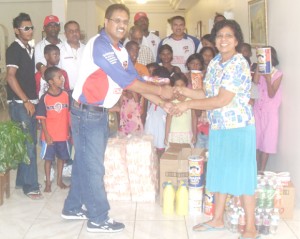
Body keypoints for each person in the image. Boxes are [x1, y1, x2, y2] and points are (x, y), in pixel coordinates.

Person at [61, 4, 173, 233]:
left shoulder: (120, 50)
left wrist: (161, 101)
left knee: (84, 162)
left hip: (99, 113)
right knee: (94, 167)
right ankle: (98, 218)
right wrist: (162, 92)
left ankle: (72, 207)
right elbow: (127, 82)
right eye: (116, 20)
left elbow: (134, 77)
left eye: (125, 21)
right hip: (86, 113)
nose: (121, 25)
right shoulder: (99, 45)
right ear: (106, 21)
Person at [171, 20, 259, 239]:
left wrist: (187, 104)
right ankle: (218, 219)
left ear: (237, 40)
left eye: (228, 36)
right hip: (219, 127)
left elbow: (221, 100)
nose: (223, 40)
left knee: (244, 176)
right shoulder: (216, 62)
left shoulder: (238, 63)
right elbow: (205, 93)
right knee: (219, 172)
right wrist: (181, 92)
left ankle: (251, 227)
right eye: (219, 36)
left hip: (238, 127)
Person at [5, 13, 43, 200]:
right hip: (20, 104)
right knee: (28, 144)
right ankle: (31, 186)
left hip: (29, 102)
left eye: (31, 27)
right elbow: (10, 77)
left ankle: (22, 181)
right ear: (16, 30)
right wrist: (26, 101)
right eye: (25, 28)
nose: (29, 31)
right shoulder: (14, 49)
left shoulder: (29, 48)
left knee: (26, 142)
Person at [36, 66, 70, 192]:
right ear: (51, 82)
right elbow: (42, 118)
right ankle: (48, 183)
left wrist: (69, 131)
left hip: (63, 135)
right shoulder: (44, 98)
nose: (62, 79)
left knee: (61, 158)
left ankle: (59, 180)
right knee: (48, 159)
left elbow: (70, 113)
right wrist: (46, 134)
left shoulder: (66, 95)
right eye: (59, 77)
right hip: (49, 136)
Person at [253, 46, 283, 172]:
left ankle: (262, 170)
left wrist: (268, 79)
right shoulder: (259, 69)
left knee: (268, 141)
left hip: (270, 112)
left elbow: (272, 94)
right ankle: (254, 169)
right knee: (255, 141)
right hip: (257, 109)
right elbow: (254, 82)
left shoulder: (278, 74)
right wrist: (259, 70)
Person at [118, 41, 149, 135]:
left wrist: (143, 108)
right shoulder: (121, 66)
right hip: (123, 102)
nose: (135, 53)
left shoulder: (143, 68)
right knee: (124, 129)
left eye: (137, 50)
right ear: (125, 51)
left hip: (138, 103)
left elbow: (146, 89)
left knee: (137, 129)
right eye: (132, 50)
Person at [144, 66, 170, 159]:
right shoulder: (150, 92)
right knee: (149, 146)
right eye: (154, 80)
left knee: (161, 145)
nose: (156, 83)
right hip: (150, 122)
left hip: (161, 125)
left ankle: (160, 165)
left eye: (158, 80)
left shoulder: (167, 94)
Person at [165, 72, 197, 146]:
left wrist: (194, 134)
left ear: (186, 85)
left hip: (188, 135)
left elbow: (194, 118)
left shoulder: (191, 100)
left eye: (182, 85)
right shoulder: (172, 101)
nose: (180, 88)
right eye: (177, 85)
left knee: (187, 155)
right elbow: (168, 119)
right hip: (173, 134)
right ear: (173, 86)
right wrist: (166, 136)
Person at [60, 20, 85, 91]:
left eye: (76, 31)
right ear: (65, 34)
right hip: (65, 91)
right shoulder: (59, 49)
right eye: (71, 31)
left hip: (84, 92)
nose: (74, 33)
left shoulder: (87, 49)